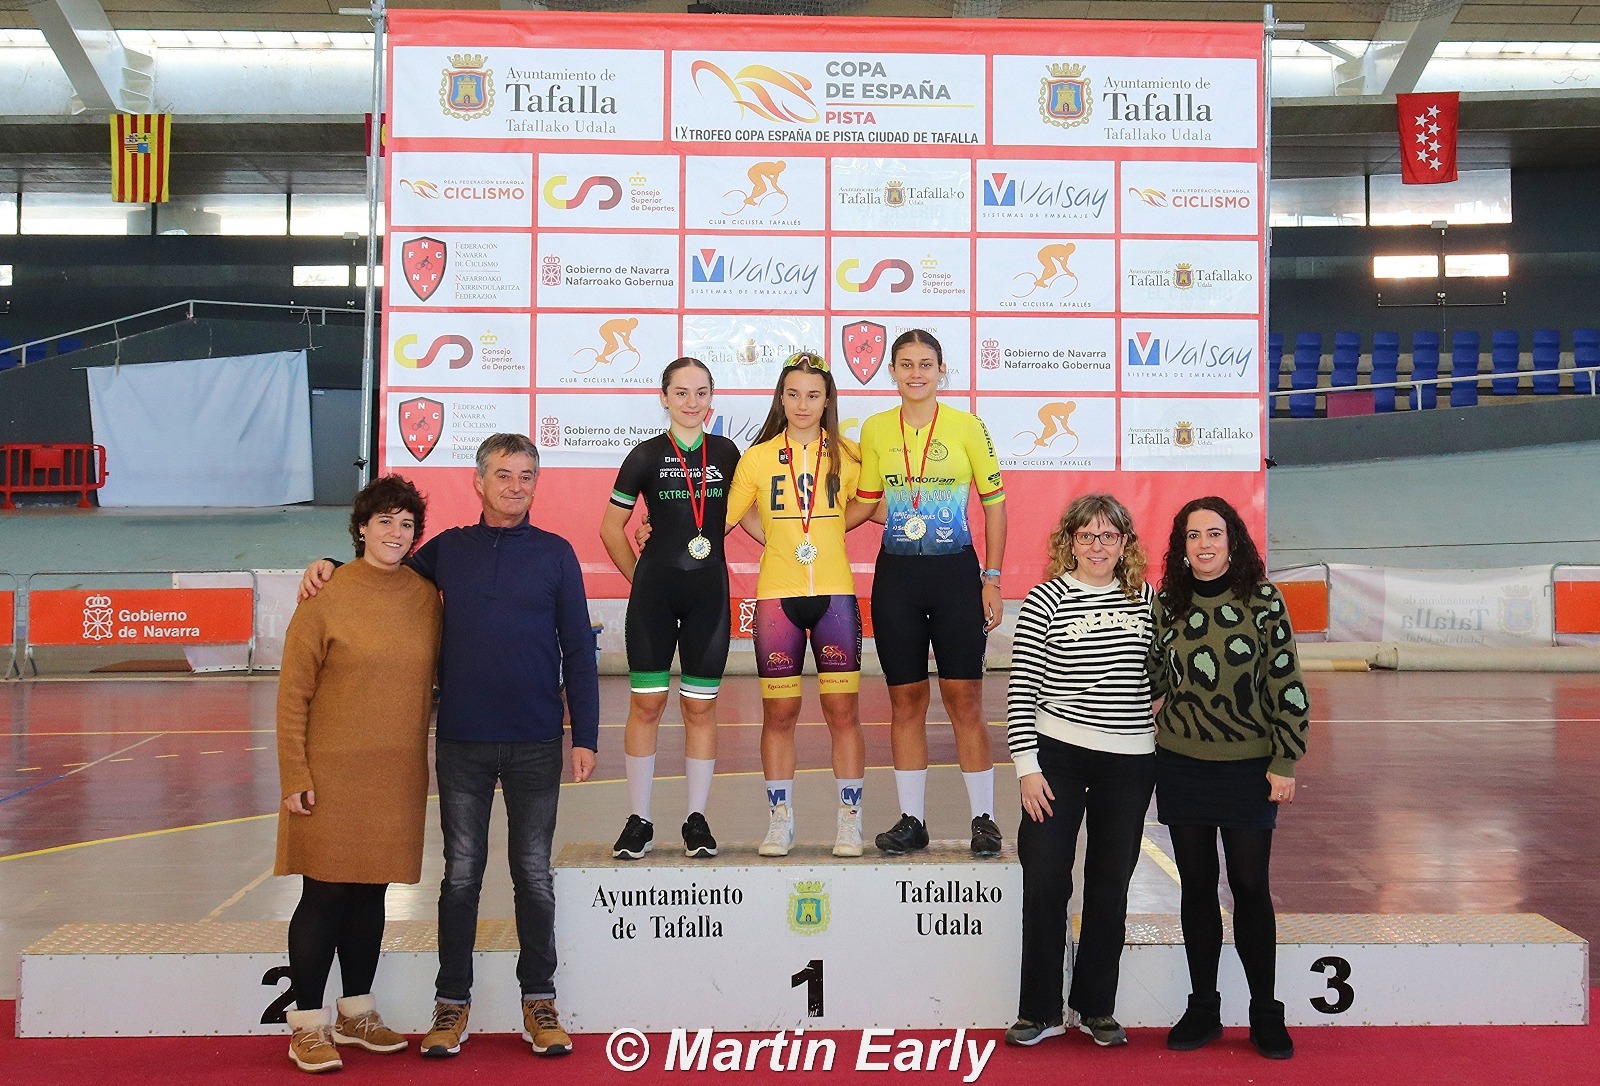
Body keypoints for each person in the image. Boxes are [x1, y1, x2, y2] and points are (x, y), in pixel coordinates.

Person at [299, 433, 598, 1061]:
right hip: (463, 742)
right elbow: (381, 568)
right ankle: (451, 1004)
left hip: (537, 742)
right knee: (461, 877)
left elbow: (578, 649)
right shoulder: (448, 550)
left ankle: (539, 1000)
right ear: (479, 482)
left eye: (526, 475)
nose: (516, 485)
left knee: (534, 877)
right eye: (504, 474)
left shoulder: (557, 554)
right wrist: (328, 562)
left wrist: (587, 736)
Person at [276, 475, 442, 1073]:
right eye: (385, 521)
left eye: (406, 524)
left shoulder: (425, 598)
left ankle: (356, 1011)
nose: (396, 533)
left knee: (373, 891)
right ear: (362, 528)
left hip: (396, 773)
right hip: (329, 773)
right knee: (323, 892)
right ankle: (306, 1023)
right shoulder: (326, 593)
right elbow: (293, 692)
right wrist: (294, 772)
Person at [1150, 495, 1309, 1061]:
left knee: (1249, 886)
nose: (1204, 545)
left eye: (1214, 533)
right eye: (1192, 536)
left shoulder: (1263, 599)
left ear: (1232, 540)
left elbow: (1286, 681)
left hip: (1248, 766)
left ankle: (1265, 1012)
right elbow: (1151, 675)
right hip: (1182, 763)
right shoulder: (1167, 603)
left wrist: (1285, 760)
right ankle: (1203, 1007)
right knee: (1196, 886)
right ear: (1181, 546)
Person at [1003, 494, 1155, 1050]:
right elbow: (1022, 690)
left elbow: (1163, 675)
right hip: (1057, 760)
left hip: (1130, 762)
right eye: (1087, 535)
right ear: (1070, 541)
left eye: (1108, 536)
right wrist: (1027, 767)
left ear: (1124, 544)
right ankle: (1039, 1010)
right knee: (1045, 880)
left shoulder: (1146, 599)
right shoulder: (1045, 599)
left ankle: (1096, 1007)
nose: (1097, 546)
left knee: (1110, 886)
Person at [852, 329, 1008, 856]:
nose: (915, 373)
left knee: (965, 699)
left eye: (925, 364)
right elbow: (867, 502)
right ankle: (911, 820)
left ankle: (984, 819)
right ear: (891, 372)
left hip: (956, 577)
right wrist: (806, 526)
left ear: (942, 371)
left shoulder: (968, 426)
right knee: (905, 701)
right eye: (906, 364)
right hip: (897, 578)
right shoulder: (876, 429)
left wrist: (992, 578)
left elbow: (994, 505)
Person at [727, 350, 873, 857]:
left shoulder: (849, 455)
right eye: (793, 394)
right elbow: (725, 515)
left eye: (813, 395)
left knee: (842, 712)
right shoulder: (758, 457)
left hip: (834, 596)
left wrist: (829, 530)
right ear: (781, 398)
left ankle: (850, 821)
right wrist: (771, 535)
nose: (803, 404)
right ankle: (779, 821)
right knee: (779, 714)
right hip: (776, 598)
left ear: (828, 399)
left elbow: (871, 504)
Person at [600, 357, 741, 860]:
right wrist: (639, 579)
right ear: (663, 398)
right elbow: (610, 528)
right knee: (647, 705)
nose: (691, 402)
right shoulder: (644, 455)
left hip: (709, 595)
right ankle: (639, 819)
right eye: (681, 393)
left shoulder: (727, 453)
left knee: (700, 707)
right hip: (654, 596)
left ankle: (696, 819)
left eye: (701, 392)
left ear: (712, 398)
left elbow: (740, 513)